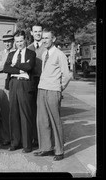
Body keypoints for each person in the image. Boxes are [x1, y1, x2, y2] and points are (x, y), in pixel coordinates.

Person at [33, 29, 71, 161]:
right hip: (41, 89)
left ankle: (59, 151)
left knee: (55, 121)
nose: (44, 40)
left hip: (53, 91)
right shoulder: (44, 54)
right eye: (43, 38)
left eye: (47, 38)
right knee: (42, 120)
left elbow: (67, 75)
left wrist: (59, 88)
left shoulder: (60, 54)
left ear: (53, 39)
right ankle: (46, 148)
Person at [3, 30, 36, 153]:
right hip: (13, 84)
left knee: (25, 114)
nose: (19, 44)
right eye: (17, 42)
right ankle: (15, 142)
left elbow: (29, 67)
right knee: (14, 114)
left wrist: (15, 65)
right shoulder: (11, 54)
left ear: (26, 40)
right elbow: (6, 68)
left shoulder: (31, 53)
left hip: (25, 85)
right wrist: (20, 69)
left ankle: (27, 145)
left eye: (21, 41)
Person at [0, 34, 15, 146]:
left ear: (13, 42)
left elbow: (16, 66)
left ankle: (15, 137)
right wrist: (9, 63)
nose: (7, 44)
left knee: (14, 111)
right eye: (5, 42)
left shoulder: (17, 53)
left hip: (13, 84)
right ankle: (6, 137)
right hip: (1, 85)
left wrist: (6, 65)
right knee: (4, 111)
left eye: (9, 42)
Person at [27, 25, 46, 148]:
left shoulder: (47, 47)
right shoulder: (29, 48)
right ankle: (35, 137)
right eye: (35, 32)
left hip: (44, 81)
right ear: (31, 33)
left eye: (40, 31)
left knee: (43, 111)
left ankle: (45, 139)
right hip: (32, 82)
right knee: (32, 110)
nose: (38, 34)